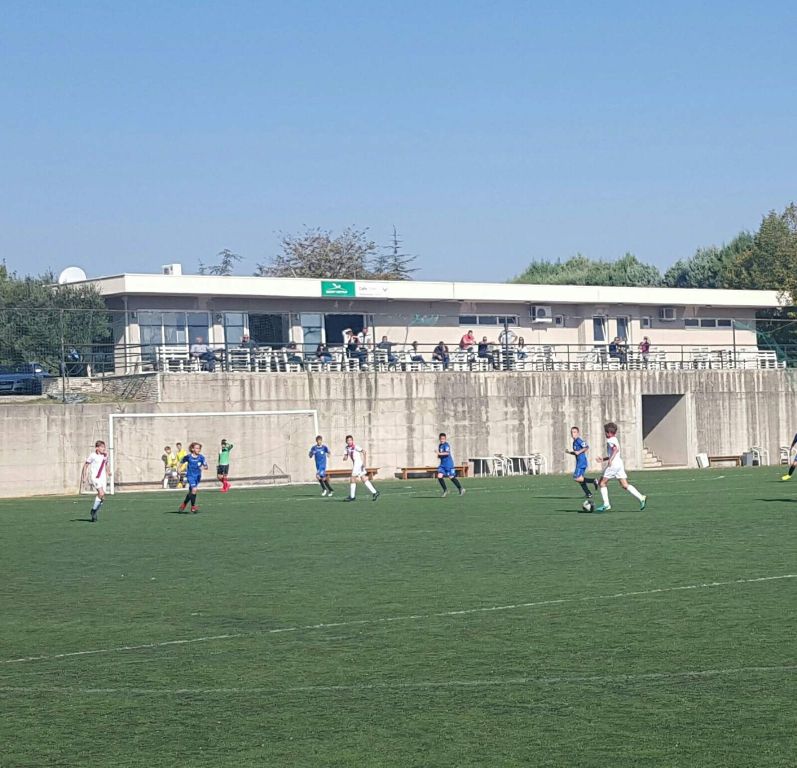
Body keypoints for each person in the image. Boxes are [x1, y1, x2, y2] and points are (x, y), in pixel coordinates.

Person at [595, 422, 647, 512]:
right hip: (619, 463)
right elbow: (614, 452)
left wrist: (610, 460)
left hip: (614, 465)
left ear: (609, 433)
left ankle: (606, 504)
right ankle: (641, 497)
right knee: (624, 485)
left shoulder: (610, 440)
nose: (605, 434)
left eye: (606, 432)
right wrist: (604, 459)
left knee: (602, 483)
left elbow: (615, 449)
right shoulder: (615, 439)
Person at [342, 435, 379, 501]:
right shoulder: (346, 448)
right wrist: (344, 458)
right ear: (346, 441)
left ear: (352, 441)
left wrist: (364, 462)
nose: (349, 441)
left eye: (350, 440)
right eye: (348, 440)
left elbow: (364, 452)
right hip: (356, 464)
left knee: (352, 478)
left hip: (358, 464)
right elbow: (346, 456)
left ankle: (352, 496)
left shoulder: (355, 447)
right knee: (363, 478)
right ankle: (375, 492)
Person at [567, 427, 599, 501]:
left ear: (578, 433)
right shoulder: (574, 442)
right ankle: (588, 493)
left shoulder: (579, 440)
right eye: (572, 432)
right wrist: (570, 452)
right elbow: (576, 453)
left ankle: (593, 480)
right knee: (579, 479)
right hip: (579, 461)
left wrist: (579, 452)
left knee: (576, 477)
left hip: (581, 462)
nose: (573, 434)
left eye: (574, 432)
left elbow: (586, 447)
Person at [81, 440, 109, 522]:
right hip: (95, 477)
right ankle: (93, 510)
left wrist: (108, 471)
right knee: (101, 493)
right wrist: (84, 476)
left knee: (102, 498)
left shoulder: (105, 455)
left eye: (104, 447)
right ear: (97, 448)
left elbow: (106, 464)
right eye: (102, 447)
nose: (104, 448)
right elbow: (85, 465)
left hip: (103, 478)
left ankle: (95, 512)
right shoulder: (92, 455)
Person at [179, 442, 208, 513]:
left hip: (197, 476)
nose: (198, 450)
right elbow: (181, 462)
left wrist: (204, 467)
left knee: (191, 492)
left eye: (199, 448)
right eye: (197, 448)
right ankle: (193, 507)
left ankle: (184, 504)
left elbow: (206, 466)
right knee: (194, 489)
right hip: (190, 476)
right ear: (192, 449)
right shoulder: (188, 457)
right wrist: (179, 469)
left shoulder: (201, 457)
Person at [436, 432, 465, 497]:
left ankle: (460, 488)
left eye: (443, 439)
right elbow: (441, 454)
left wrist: (439, 453)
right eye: (441, 439)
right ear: (439, 439)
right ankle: (445, 490)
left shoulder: (446, 445)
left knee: (451, 477)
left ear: (445, 439)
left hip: (448, 464)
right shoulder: (440, 445)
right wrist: (439, 456)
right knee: (439, 476)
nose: (442, 440)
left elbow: (447, 453)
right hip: (442, 464)